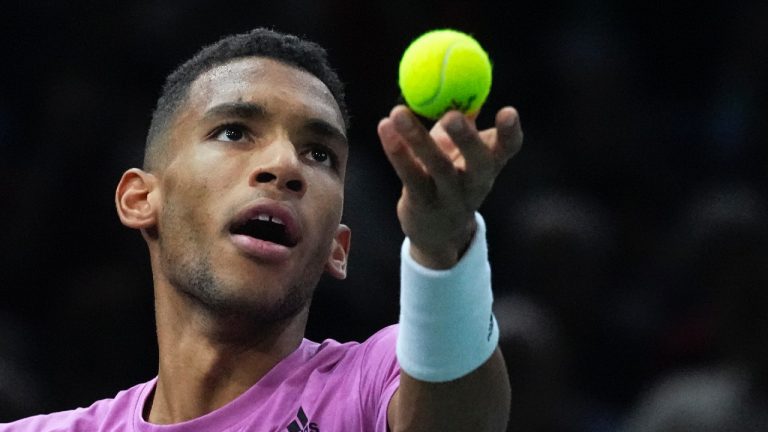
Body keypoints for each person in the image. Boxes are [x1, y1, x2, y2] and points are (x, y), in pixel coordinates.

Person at [1, 28, 522, 431]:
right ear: (141, 200)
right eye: (234, 132)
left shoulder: (375, 384)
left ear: (336, 250)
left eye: (319, 153)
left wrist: (442, 246)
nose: (285, 165)